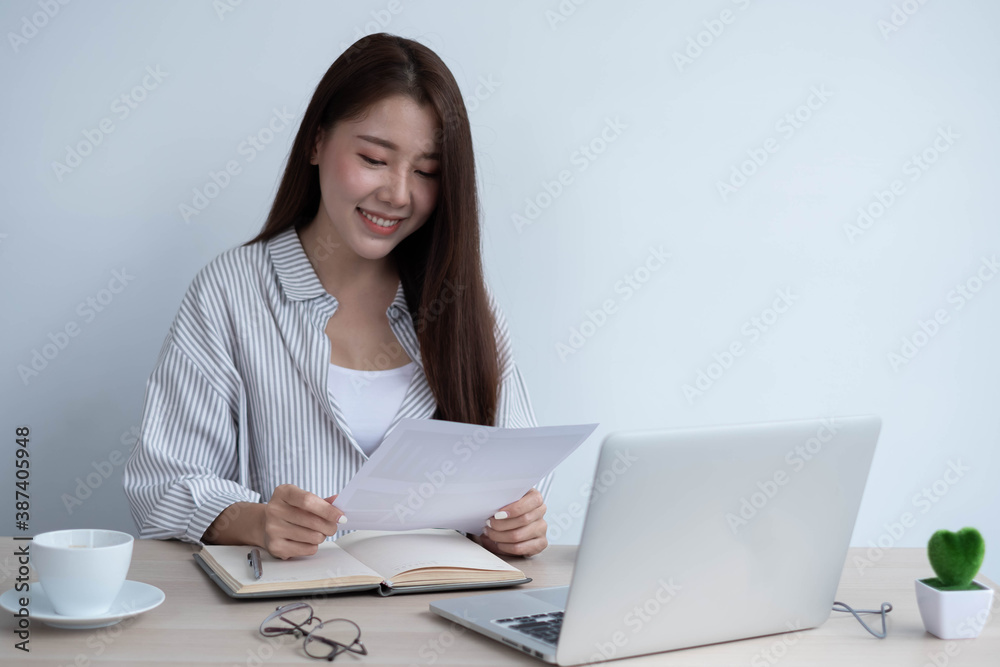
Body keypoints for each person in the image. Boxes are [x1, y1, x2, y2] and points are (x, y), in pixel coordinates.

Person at [123, 33, 552, 560]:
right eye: (374, 158)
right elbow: (162, 486)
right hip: (292, 625)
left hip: (439, 618)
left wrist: (516, 522)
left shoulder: (461, 302)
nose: (398, 193)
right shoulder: (229, 293)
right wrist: (258, 522)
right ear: (317, 142)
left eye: (425, 171)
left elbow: (521, 477)